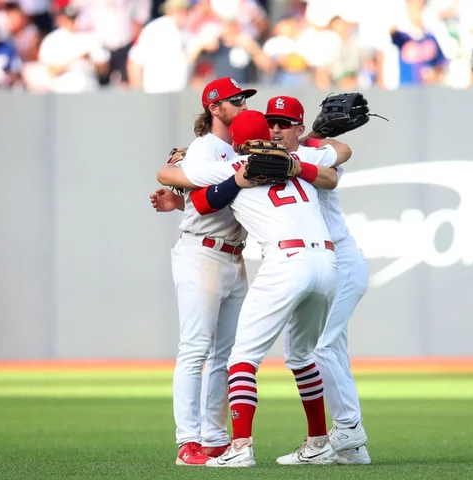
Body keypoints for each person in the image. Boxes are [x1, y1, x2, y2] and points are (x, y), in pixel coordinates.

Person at [154, 109, 352, 467]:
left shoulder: (234, 164)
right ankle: (319, 441)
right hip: (327, 262)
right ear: (268, 133)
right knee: (303, 356)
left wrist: (197, 165)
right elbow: (341, 156)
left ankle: (240, 446)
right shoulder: (299, 156)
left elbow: (192, 194)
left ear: (238, 142)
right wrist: (309, 147)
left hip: (287, 260)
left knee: (240, 358)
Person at [151, 77, 257, 466]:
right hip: (202, 253)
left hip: (234, 255)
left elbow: (209, 199)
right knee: (195, 349)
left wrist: (180, 203)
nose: (243, 103)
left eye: (244, 98)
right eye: (235, 99)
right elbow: (189, 180)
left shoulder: (236, 149)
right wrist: (179, 178)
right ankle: (188, 442)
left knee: (225, 354)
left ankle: (214, 437)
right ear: (215, 107)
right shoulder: (204, 147)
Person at [262, 95, 371, 465]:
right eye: (271, 121)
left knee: (320, 347)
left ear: (297, 125)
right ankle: (354, 450)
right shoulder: (270, 154)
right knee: (329, 350)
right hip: (322, 263)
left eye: (284, 122)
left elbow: (342, 154)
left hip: (340, 258)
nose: (275, 128)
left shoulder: (315, 152)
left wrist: (310, 140)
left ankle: (347, 428)